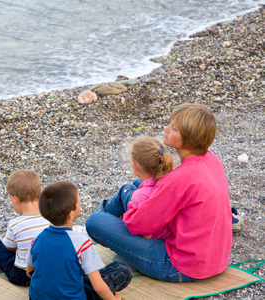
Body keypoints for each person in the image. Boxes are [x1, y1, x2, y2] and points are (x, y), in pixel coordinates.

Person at [86, 103, 232, 283]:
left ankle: (98, 233)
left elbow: (139, 225)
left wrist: (132, 199)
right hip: (214, 259)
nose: (166, 129)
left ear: (187, 139)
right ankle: (113, 226)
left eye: (173, 128)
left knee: (95, 221)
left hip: (179, 266)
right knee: (141, 184)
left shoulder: (178, 179)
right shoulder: (212, 160)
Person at [26, 181, 131, 300]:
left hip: (36, 297)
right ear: (71, 214)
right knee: (121, 269)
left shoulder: (36, 239)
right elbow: (99, 287)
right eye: (79, 203)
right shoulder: (82, 243)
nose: (80, 205)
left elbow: (29, 272)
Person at [0, 169, 50, 286]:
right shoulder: (51, 217)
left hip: (22, 276)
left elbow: (9, 249)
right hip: (48, 273)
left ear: (14, 199)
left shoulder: (15, 224)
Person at [104, 135, 174, 239]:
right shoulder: (170, 182)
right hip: (167, 234)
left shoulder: (139, 197)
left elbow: (141, 231)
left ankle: (102, 216)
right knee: (135, 184)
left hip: (153, 241)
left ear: (135, 166)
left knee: (126, 189)